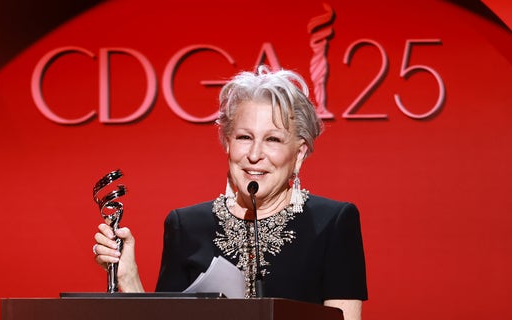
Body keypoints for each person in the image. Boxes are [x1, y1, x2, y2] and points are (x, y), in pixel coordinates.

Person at [93, 65, 368, 320]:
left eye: (272, 139)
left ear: (298, 154)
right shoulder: (186, 226)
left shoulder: (333, 222)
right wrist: (128, 276)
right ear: (227, 143)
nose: (254, 155)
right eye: (244, 137)